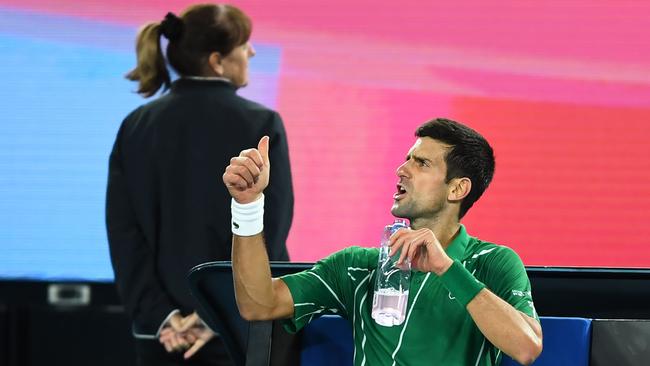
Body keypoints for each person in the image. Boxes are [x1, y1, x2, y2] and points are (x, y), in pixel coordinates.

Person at [223, 118, 543, 365]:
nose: (401, 170)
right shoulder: (356, 266)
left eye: (421, 163)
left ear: (457, 189)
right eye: (408, 159)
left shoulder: (493, 261)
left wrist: (446, 268)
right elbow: (258, 304)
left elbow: (527, 347)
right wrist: (248, 206)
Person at [106, 4, 294, 365]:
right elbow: (271, 229)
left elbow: (124, 233)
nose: (252, 52)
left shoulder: (136, 126)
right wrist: (216, 313)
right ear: (217, 61)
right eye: (244, 45)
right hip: (239, 331)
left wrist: (160, 316)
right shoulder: (261, 124)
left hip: (163, 337)